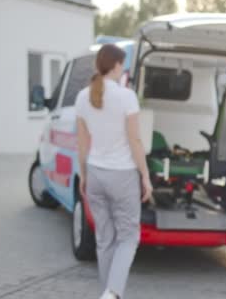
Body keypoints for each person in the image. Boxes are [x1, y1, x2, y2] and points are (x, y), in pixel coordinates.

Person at [76, 44, 152, 299]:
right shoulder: (126, 97)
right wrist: (145, 176)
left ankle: (107, 293)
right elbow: (135, 140)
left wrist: (84, 175)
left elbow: (83, 142)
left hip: (95, 173)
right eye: (123, 64)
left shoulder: (82, 97)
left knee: (104, 239)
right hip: (122, 176)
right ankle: (113, 292)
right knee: (129, 238)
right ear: (117, 65)